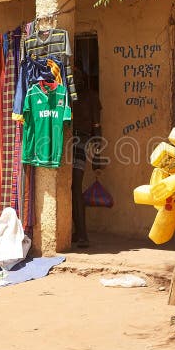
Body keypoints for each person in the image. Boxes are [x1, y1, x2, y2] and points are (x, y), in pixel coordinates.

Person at [70, 70, 102, 248]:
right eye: (74, 79)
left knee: (75, 187)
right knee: (71, 188)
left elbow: (97, 127)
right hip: (69, 140)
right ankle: (78, 231)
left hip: (82, 141)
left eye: (79, 78)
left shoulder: (90, 97)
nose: (77, 81)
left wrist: (98, 155)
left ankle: (83, 234)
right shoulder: (69, 96)